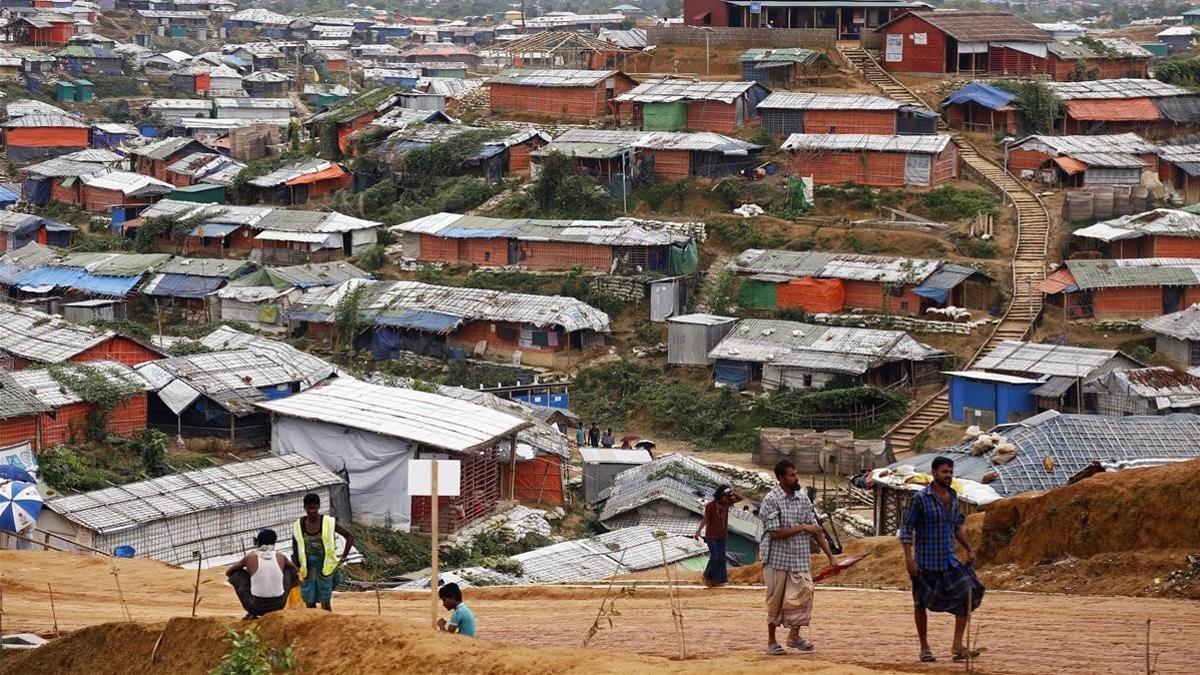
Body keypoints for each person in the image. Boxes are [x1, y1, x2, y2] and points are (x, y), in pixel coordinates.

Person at [900, 456, 984, 664]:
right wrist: (909, 559)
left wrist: (969, 548)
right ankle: (924, 648)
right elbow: (907, 529)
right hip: (925, 562)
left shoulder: (953, 497)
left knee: (969, 592)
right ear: (934, 473)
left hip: (948, 560)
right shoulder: (920, 499)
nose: (948, 476)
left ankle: (957, 645)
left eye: (950, 472)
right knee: (920, 604)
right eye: (944, 472)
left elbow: (956, 526)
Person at [759, 459, 837, 656]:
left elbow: (816, 530)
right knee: (775, 601)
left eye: (796, 474)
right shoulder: (771, 500)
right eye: (792, 475)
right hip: (777, 559)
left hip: (800, 558)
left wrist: (831, 557)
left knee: (804, 595)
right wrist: (802, 527)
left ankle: (794, 636)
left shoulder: (802, 499)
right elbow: (775, 532)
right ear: (781, 478)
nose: (796, 478)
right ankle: (771, 641)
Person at [293, 493, 355, 611]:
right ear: (304, 508)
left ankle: (328, 622)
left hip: (325, 566)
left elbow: (349, 536)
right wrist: (296, 562)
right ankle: (313, 622)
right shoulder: (299, 524)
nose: (312, 511)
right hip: (307, 566)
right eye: (309, 508)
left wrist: (343, 557)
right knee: (308, 597)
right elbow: (295, 543)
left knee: (325, 597)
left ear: (319, 507)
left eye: (314, 508)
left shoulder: (328, 522)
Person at [226, 529, 298, 619]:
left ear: (258, 543)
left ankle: (251, 613)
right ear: (274, 542)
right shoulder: (281, 557)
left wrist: (249, 570)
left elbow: (229, 572)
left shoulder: (251, 557)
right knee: (288, 570)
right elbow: (295, 569)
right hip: (279, 604)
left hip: (255, 606)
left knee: (236, 573)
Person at [694, 484, 736, 588]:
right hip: (711, 535)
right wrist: (698, 531)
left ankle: (718, 580)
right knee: (715, 556)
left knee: (721, 558)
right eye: (724, 496)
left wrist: (731, 493)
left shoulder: (726, 504)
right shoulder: (710, 506)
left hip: (722, 535)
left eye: (727, 496)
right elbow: (705, 519)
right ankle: (706, 576)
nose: (726, 498)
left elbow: (741, 498)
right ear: (720, 495)